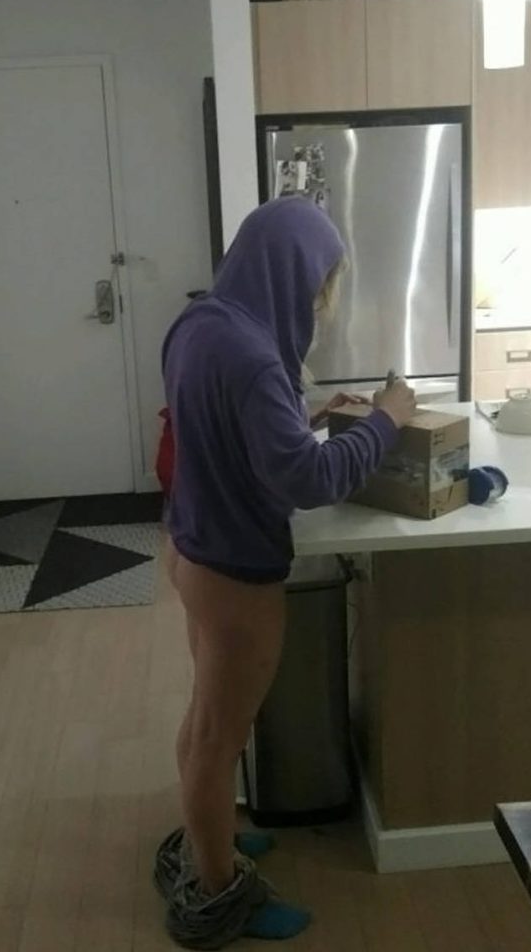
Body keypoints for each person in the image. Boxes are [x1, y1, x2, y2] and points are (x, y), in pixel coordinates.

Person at [156, 197, 416, 949]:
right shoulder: (255, 358)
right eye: (320, 284)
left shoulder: (199, 324)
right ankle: (220, 889)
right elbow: (309, 482)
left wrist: (302, 418)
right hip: (237, 576)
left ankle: (210, 837)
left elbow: (222, 434)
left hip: (191, 550)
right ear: (294, 274)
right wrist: (387, 418)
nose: (319, 302)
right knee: (220, 737)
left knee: (206, 718)